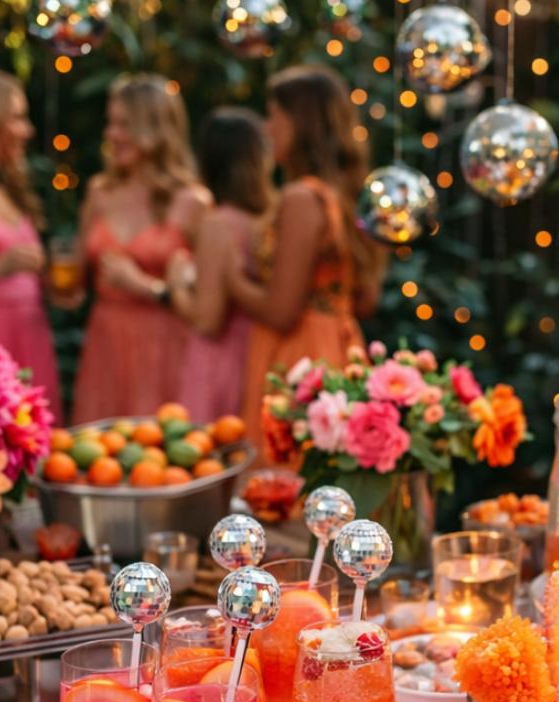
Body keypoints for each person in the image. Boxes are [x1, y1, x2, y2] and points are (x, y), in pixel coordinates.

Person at [226, 65, 386, 445]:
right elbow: (366, 298)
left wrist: (233, 278)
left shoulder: (302, 198)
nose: (267, 129)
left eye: (274, 117)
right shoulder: (346, 195)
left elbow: (282, 312)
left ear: (300, 124)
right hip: (343, 350)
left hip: (299, 357)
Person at [72, 74, 210, 422]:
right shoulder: (99, 192)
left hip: (165, 347)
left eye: (124, 125)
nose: (111, 135)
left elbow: (209, 306)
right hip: (105, 344)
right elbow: (75, 281)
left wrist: (146, 286)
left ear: (156, 130)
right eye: (110, 123)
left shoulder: (192, 202)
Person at [167, 108, 274, 422]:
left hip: (220, 362)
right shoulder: (265, 220)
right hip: (257, 353)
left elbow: (207, 320)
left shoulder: (218, 224)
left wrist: (175, 285)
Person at [0, 68, 62, 419]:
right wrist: (1, 266)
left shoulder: (7, 190)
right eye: (17, 118)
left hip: (31, 339)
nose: (28, 131)